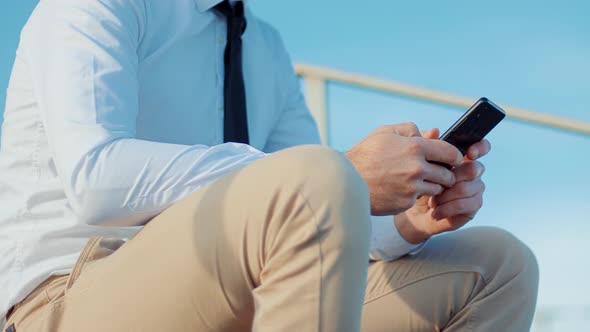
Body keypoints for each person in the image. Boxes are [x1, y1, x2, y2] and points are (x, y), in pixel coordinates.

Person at [0, 0, 539, 331]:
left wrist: (406, 220)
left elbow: (317, 211)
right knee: (318, 174)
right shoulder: (97, 4)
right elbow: (96, 179)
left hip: (242, 293)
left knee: (497, 265)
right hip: (70, 298)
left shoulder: (265, 46)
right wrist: (346, 171)